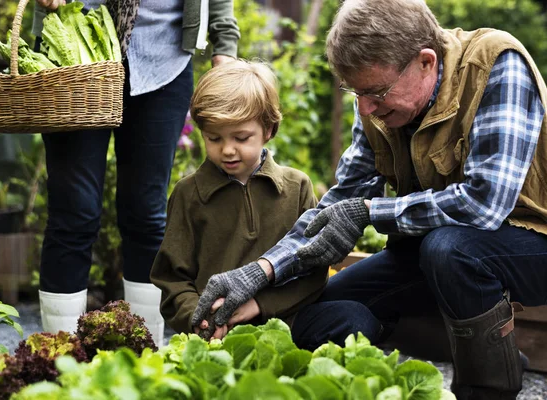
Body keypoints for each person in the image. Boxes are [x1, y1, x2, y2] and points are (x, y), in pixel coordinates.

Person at [191, 0, 547, 398]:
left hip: (533, 243)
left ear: (425, 62)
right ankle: (480, 351)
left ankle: (488, 388)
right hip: (443, 251)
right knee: (332, 301)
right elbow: (338, 205)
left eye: (376, 92)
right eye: (356, 93)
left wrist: (369, 212)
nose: (366, 109)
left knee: (449, 249)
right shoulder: (377, 105)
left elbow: (484, 204)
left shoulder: (497, 64)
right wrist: (261, 272)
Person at [32, 0, 239, 348]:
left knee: (146, 214)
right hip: (73, 52)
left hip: (164, 59)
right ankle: (59, 360)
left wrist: (225, 48)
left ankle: (143, 357)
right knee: (73, 214)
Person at [149, 60, 338, 343]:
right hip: (215, 338)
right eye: (214, 138)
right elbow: (172, 279)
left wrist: (260, 305)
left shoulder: (296, 187)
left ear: (269, 130)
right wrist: (200, 320)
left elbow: (313, 269)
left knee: (351, 317)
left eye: (241, 137)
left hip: (286, 329)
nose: (227, 150)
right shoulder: (189, 194)